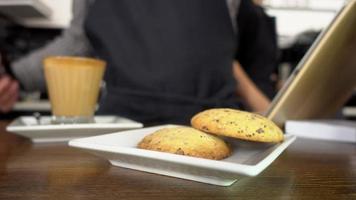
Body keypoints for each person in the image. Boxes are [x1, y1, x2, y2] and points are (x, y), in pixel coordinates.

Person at [0, 0, 277, 125]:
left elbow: (221, 50)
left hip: (212, 123)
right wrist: (14, 76)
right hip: (121, 126)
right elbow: (77, 45)